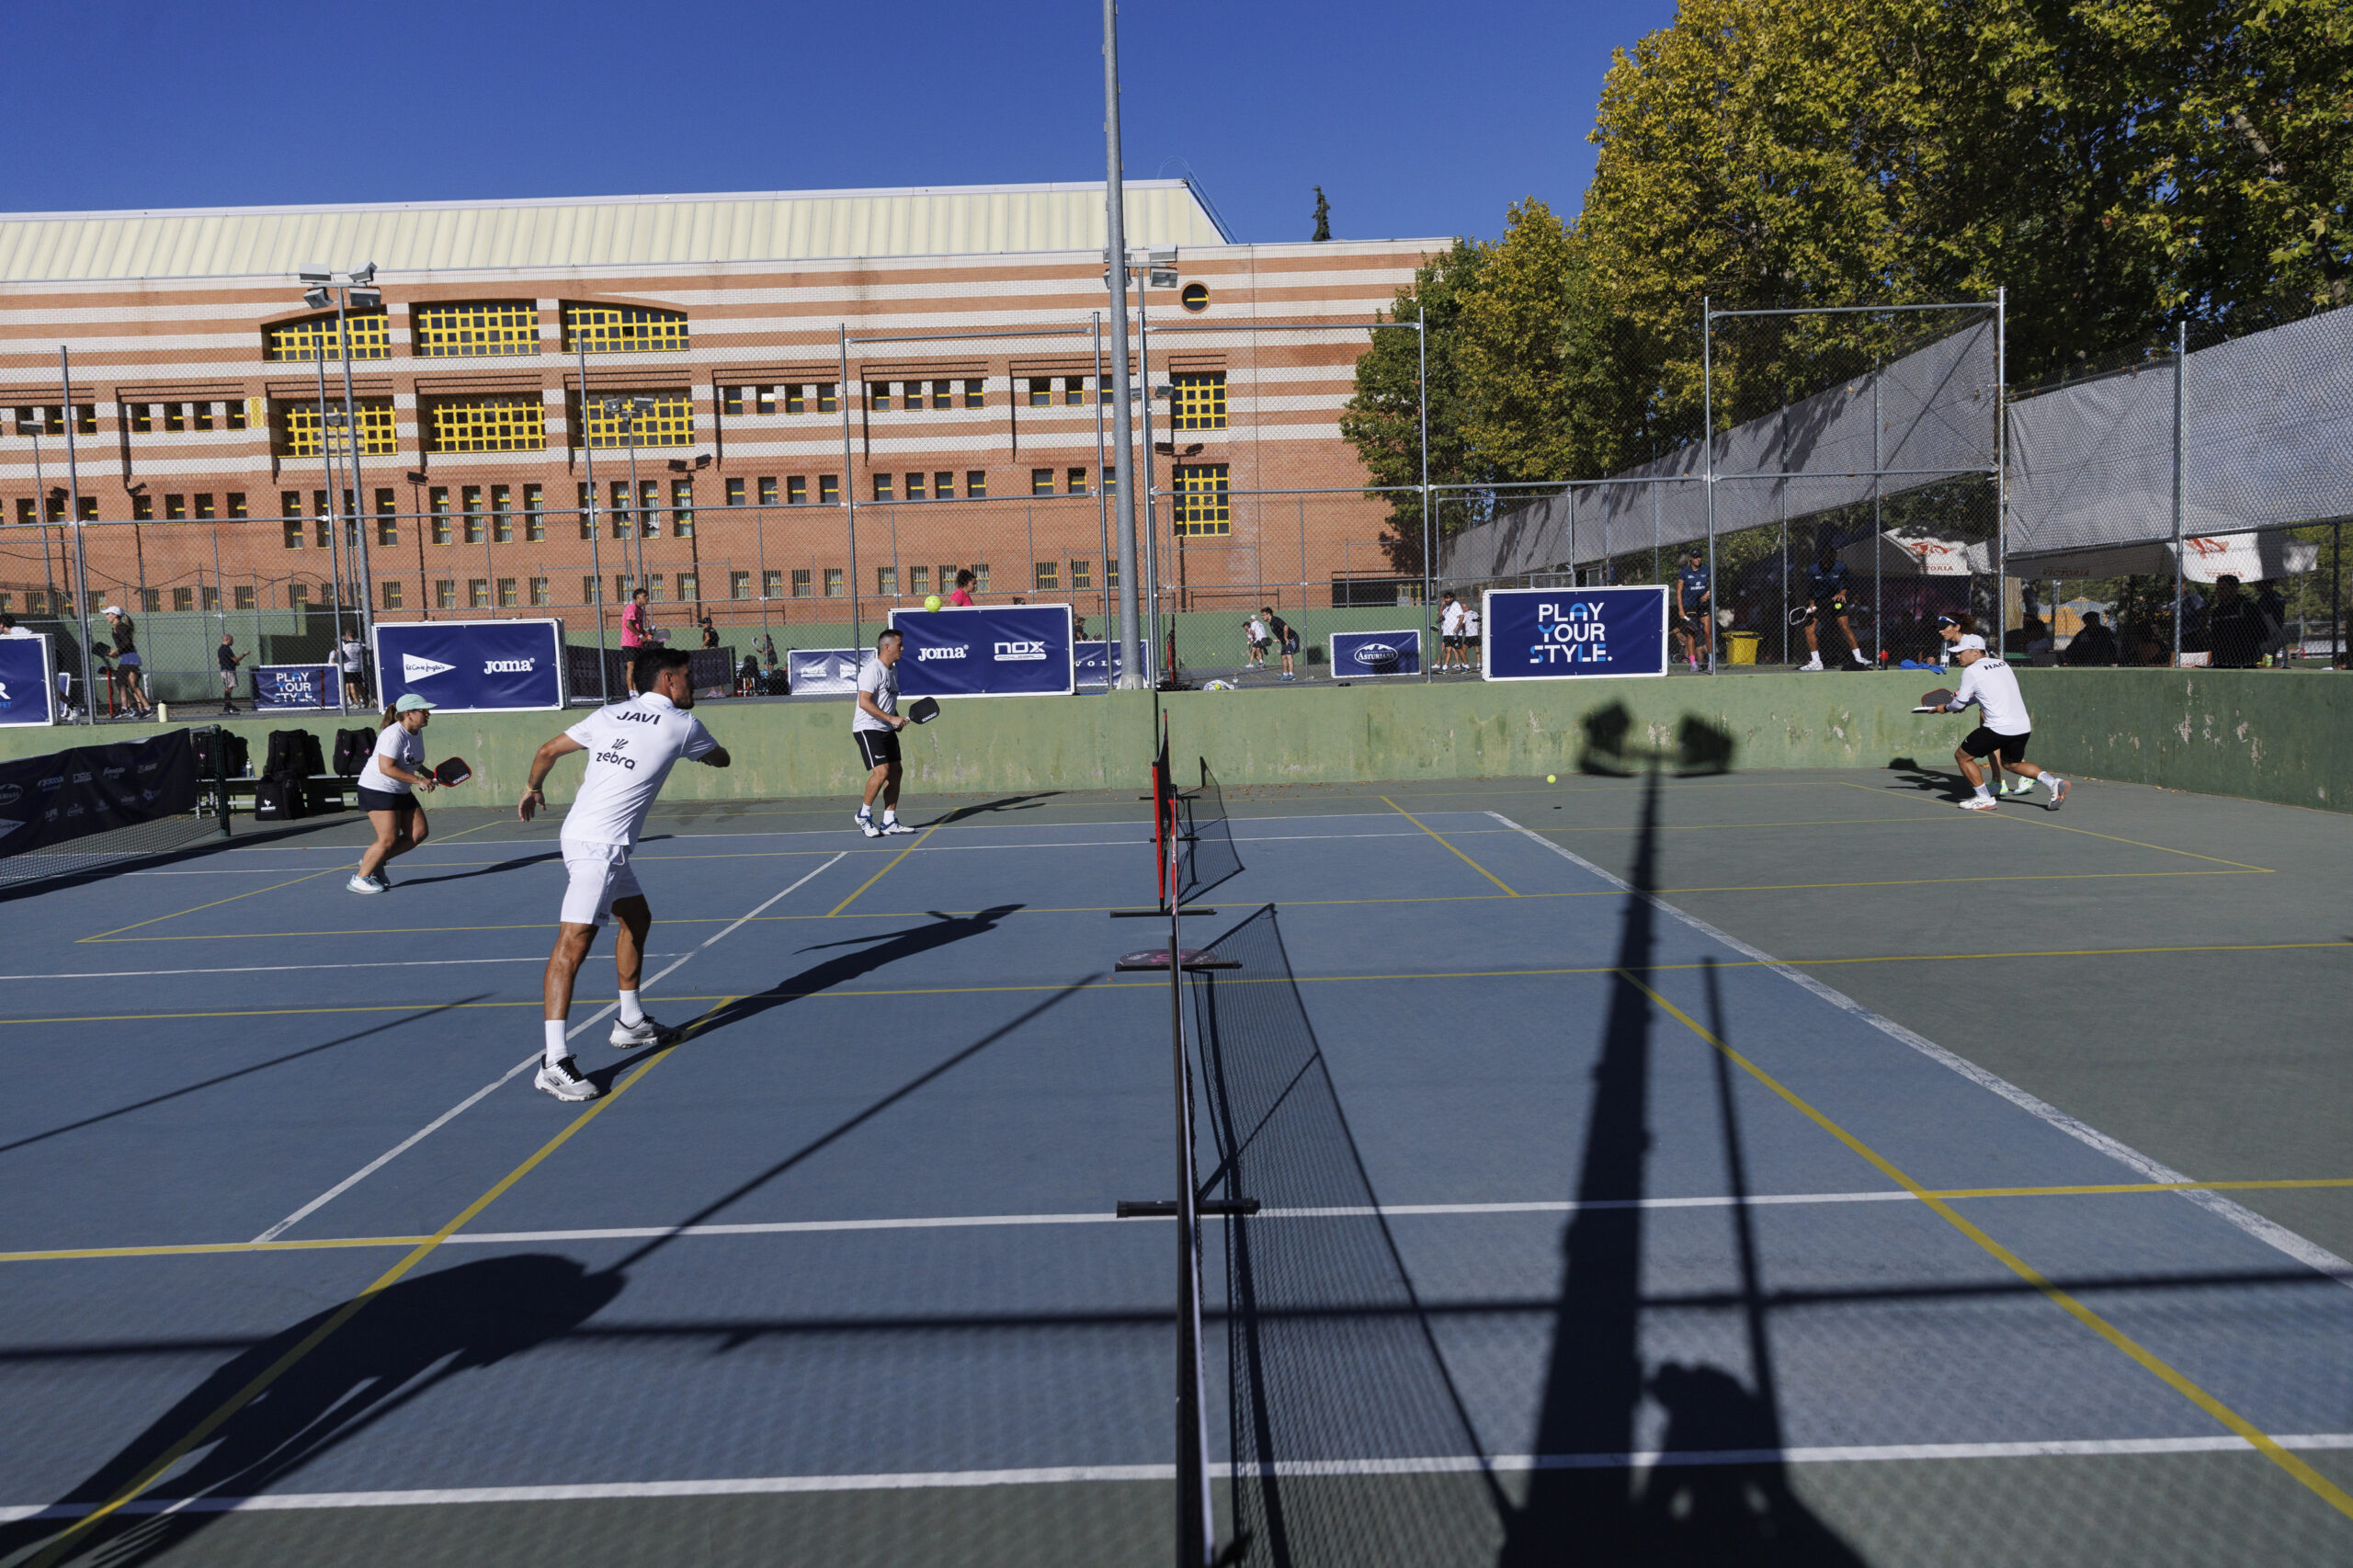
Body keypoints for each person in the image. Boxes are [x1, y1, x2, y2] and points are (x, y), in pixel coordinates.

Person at [519, 646, 732, 1102]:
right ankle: (553, 1062)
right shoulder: (684, 725)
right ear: (669, 680)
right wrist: (710, 756)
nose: (693, 684)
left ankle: (631, 1021)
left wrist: (533, 788)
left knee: (636, 917)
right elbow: (722, 759)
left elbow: (547, 750)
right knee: (572, 945)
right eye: (688, 676)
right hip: (600, 848)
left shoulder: (608, 714)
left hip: (584, 835)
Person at [1933, 634, 2068, 811]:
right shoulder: (2003, 664)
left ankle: (1984, 799)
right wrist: (1966, 703)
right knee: (2012, 764)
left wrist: (1945, 708)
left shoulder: (1971, 671)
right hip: (2022, 726)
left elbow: (1958, 703)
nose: (1957, 656)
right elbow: (1987, 693)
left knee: (1962, 757)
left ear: (1975, 652)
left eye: (1961, 652)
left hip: (1998, 728)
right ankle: (2053, 783)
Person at [349, 692, 439, 893]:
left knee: (418, 833)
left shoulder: (416, 732)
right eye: (424, 710)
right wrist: (419, 781)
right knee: (388, 839)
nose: (428, 714)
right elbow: (386, 768)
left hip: (400, 789)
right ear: (408, 714)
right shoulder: (393, 735)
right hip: (377, 789)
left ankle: (375, 861)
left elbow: (410, 760)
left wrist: (426, 773)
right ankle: (360, 878)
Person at [853, 629, 916, 837]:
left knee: (896, 772)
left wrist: (895, 719)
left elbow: (886, 703)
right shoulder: (873, 670)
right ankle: (864, 815)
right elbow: (864, 702)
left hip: (886, 728)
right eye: (900, 645)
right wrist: (890, 719)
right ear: (887, 647)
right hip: (868, 727)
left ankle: (889, 821)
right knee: (881, 773)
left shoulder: (893, 671)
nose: (903, 648)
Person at [1800, 546, 1869, 670]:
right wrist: (1811, 605)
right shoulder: (1812, 570)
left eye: (1830, 561)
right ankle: (1816, 662)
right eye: (1825, 560)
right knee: (1809, 629)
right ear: (1821, 558)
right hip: (1819, 602)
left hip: (1836, 601)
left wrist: (1842, 593)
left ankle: (1859, 658)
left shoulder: (1841, 567)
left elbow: (1847, 584)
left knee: (1845, 626)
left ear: (1834, 558)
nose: (1827, 563)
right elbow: (1810, 590)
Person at [101, 605, 155, 717]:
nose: (106, 616)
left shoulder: (120, 627)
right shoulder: (118, 627)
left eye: (108, 614)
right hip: (129, 657)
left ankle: (125, 708)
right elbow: (126, 646)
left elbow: (127, 642)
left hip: (130, 658)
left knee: (120, 681)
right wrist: (116, 654)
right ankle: (148, 708)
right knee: (133, 685)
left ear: (115, 615)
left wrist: (115, 651)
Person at [2205, 575, 2266, 668]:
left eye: (2223, 589)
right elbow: (2213, 635)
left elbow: (2261, 632)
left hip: (2244, 661)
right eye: (2218, 589)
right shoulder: (2217, 611)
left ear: (2234, 588)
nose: (2219, 592)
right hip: (2221, 661)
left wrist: (2244, 643)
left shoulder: (2247, 607)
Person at [1673, 548, 1711, 670]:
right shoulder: (1684, 572)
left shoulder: (1706, 569)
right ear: (1690, 559)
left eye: (1699, 557)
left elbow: (1712, 584)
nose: (1697, 559)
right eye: (1695, 557)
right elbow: (1679, 591)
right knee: (1691, 634)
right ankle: (1693, 664)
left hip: (1703, 606)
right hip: (1690, 607)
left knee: (1707, 632)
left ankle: (1711, 662)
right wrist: (1681, 609)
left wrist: (1708, 593)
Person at [1260, 607, 1298, 681]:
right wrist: (1278, 638)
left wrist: (1285, 637)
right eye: (1262, 615)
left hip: (1291, 638)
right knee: (1283, 656)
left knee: (1288, 655)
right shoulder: (1271, 623)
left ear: (1269, 614)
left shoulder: (1275, 620)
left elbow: (1286, 627)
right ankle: (1285, 674)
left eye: (1263, 615)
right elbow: (1279, 630)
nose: (1262, 617)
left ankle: (1291, 675)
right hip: (1284, 640)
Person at [336, 624, 369, 708]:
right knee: (359, 684)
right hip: (357, 667)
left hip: (348, 668)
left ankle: (356, 702)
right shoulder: (359, 642)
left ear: (348, 634)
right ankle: (364, 701)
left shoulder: (344, 643)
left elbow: (339, 653)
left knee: (351, 685)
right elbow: (363, 650)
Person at [216, 632, 247, 712]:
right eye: (232, 640)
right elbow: (235, 659)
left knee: (228, 688)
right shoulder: (227, 649)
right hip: (228, 671)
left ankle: (229, 705)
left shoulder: (220, 649)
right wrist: (244, 654)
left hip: (224, 670)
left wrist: (232, 663)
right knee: (229, 689)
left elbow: (218, 660)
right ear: (227, 640)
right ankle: (227, 706)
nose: (233, 642)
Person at [1437, 593, 1464, 672]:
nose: (1446, 600)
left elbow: (1462, 616)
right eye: (1445, 598)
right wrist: (1442, 606)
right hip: (1447, 633)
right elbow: (1439, 616)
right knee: (1447, 650)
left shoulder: (1456, 604)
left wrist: (1457, 627)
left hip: (1454, 633)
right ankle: (1445, 668)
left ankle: (1466, 665)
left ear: (1452, 598)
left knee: (1459, 650)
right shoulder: (1446, 608)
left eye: (1448, 598)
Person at [620, 586, 654, 650]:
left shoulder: (641, 611)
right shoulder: (632, 607)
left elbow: (639, 628)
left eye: (647, 596)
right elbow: (628, 624)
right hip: (630, 644)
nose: (647, 597)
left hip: (638, 645)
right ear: (638, 597)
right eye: (645, 596)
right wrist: (641, 636)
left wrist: (647, 635)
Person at [1461, 600, 1483, 670]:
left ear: (1465, 608)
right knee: (1477, 650)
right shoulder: (1475, 613)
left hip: (1469, 635)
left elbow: (1462, 623)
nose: (1462, 610)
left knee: (1463, 650)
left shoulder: (1465, 614)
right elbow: (1479, 623)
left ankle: (1464, 664)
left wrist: (1463, 629)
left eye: (1462, 608)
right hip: (1476, 634)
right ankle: (1478, 664)